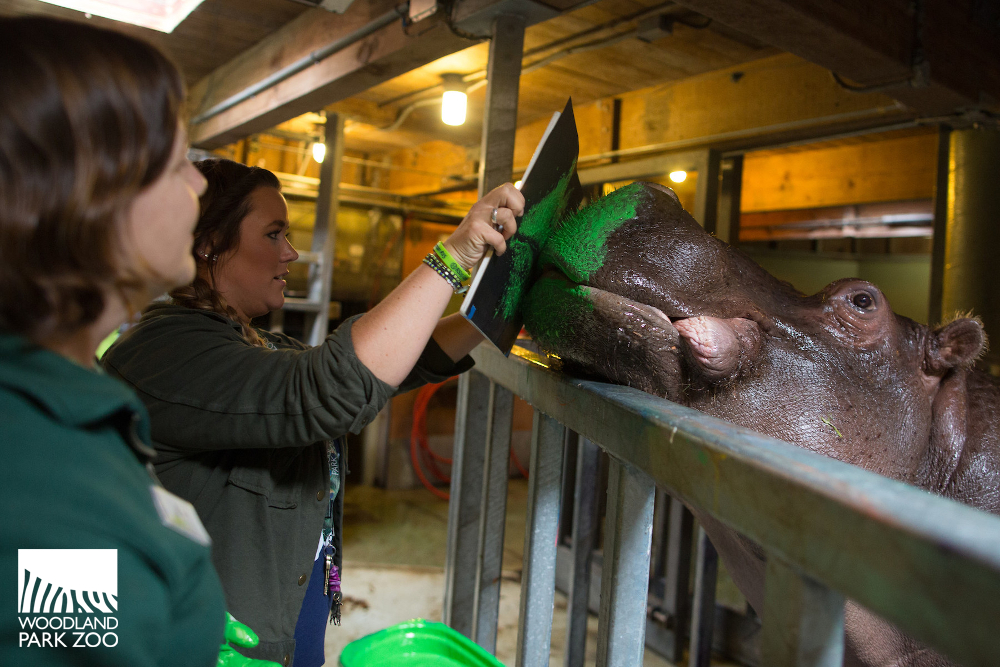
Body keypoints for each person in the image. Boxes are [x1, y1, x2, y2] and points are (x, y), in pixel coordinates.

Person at [101, 157, 523, 665]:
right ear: (210, 242)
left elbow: (392, 364)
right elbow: (332, 389)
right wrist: (451, 258)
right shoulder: (168, 351)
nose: (291, 252)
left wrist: (496, 312)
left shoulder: (257, 344)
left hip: (289, 627)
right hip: (224, 648)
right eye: (273, 235)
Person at [0, 17, 278, 667]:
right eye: (178, 159)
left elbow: (76, 633)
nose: (201, 183)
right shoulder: (46, 472)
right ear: (93, 188)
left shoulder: (64, 404)